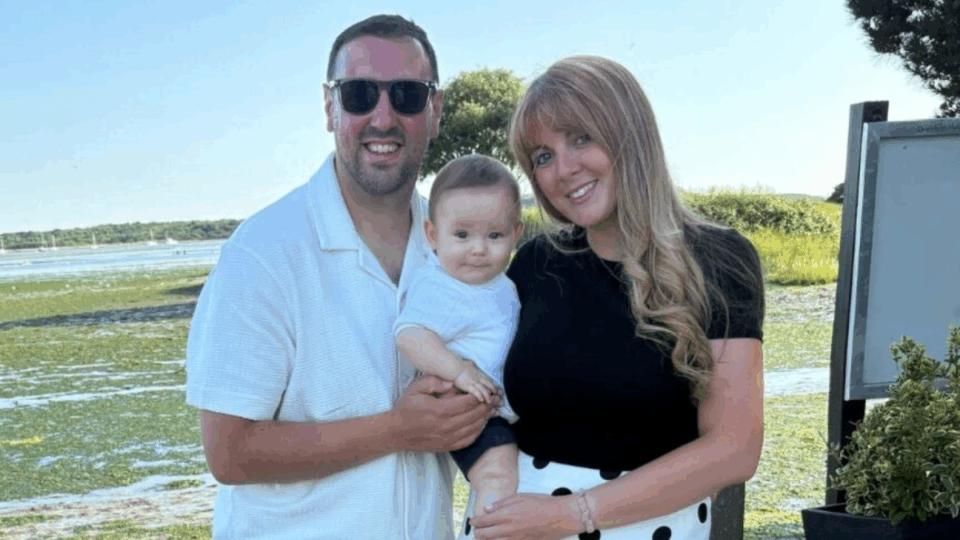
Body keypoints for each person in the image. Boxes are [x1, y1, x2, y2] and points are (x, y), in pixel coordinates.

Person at [184, 15, 494, 539]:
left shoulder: (453, 253)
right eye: (358, 94)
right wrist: (399, 430)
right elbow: (229, 453)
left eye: (407, 95)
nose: (382, 117)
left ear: (435, 110)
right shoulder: (263, 251)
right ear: (330, 108)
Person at [463, 56, 766, 539]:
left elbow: (735, 446)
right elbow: (475, 388)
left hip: (649, 527)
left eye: (581, 137)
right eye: (542, 156)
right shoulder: (532, 264)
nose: (563, 169)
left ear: (631, 133)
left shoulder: (719, 261)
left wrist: (573, 514)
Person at [394, 154, 523, 524]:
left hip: (501, 407)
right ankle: (495, 531)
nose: (478, 249)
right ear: (433, 235)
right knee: (497, 474)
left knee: (515, 473)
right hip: (469, 409)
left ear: (516, 234)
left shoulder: (503, 284)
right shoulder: (443, 287)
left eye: (494, 235)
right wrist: (459, 371)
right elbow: (409, 334)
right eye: (462, 235)